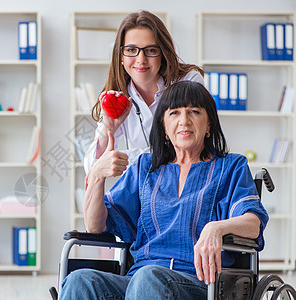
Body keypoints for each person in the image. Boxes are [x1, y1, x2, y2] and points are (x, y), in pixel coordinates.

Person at [61, 81, 269, 300]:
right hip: (139, 280)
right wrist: (96, 175)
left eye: (194, 112)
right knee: (80, 280)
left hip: (201, 283)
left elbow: (253, 223)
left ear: (209, 125)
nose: (184, 121)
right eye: (174, 113)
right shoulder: (146, 168)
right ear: (164, 127)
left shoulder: (230, 166)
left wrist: (215, 228)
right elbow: (95, 226)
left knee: (147, 279)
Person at [84, 10, 204, 179]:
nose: (141, 59)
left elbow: (189, 148)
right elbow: (92, 168)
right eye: (131, 50)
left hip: (189, 181)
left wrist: (130, 158)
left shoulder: (188, 81)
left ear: (162, 53)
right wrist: (109, 127)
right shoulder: (118, 97)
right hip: (145, 190)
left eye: (151, 50)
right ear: (121, 56)